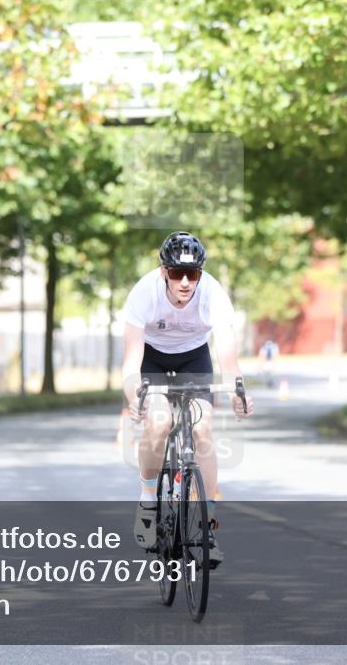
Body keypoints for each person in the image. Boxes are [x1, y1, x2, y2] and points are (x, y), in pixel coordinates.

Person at [121, 231, 255, 566]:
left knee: (203, 429)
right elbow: (131, 360)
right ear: (163, 271)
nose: (185, 282)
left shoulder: (212, 293)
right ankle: (149, 499)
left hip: (194, 358)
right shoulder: (143, 294)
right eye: (177, 274)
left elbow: (227, 355)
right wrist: (134, 394)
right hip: (152, 358)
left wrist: (238, 391)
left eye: (192, 274)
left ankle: (206, 527)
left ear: (200, 274)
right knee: (160, 420)